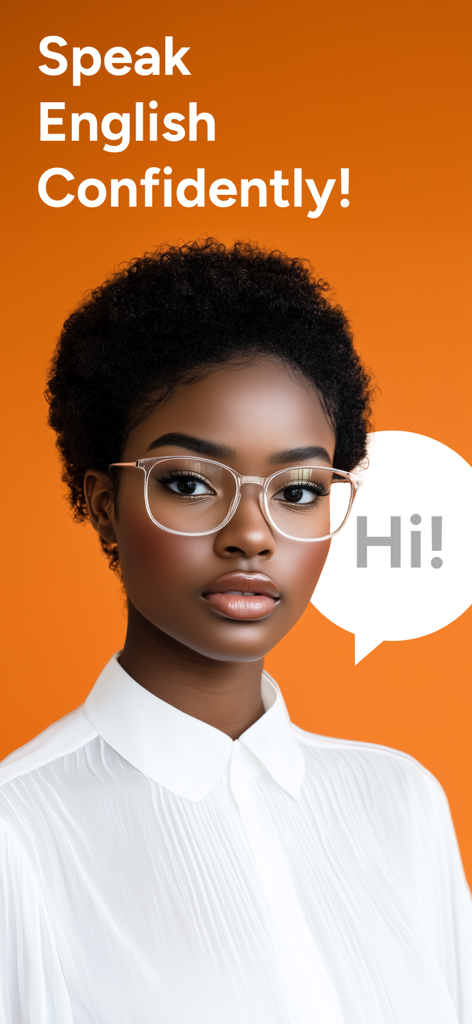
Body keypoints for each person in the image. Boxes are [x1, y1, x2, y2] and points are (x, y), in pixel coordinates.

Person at [0, 239, 470, 1024]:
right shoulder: (20, 834)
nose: (252, 534)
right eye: (188, 483)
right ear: (103, 504)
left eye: (296, 489)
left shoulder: (403, 804)